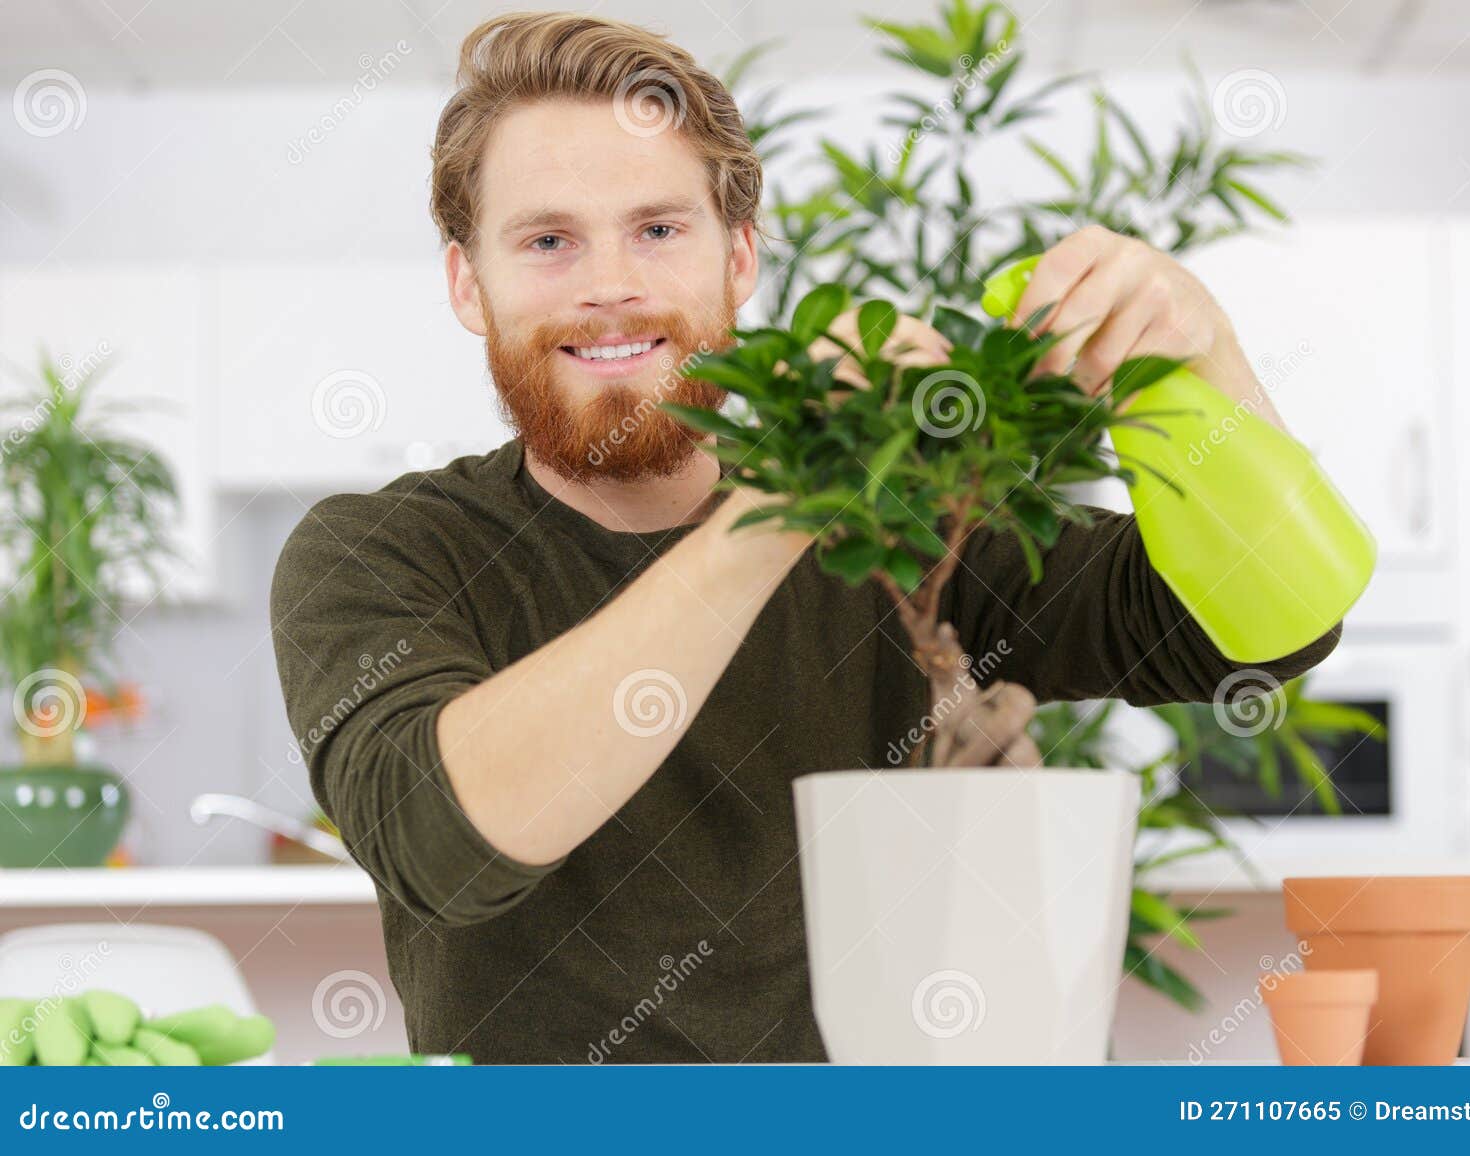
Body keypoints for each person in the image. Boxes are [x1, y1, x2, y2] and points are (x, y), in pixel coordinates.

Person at [269, 11, 1339, 1064]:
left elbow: (1243, 633)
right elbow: (443, 842)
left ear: (738, 259)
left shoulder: (909, 518)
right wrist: (786, 500)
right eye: (548, 240)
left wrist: (1199, 357)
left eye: (658, 229)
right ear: (469, 283)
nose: (609, 286)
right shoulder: (379, 551)